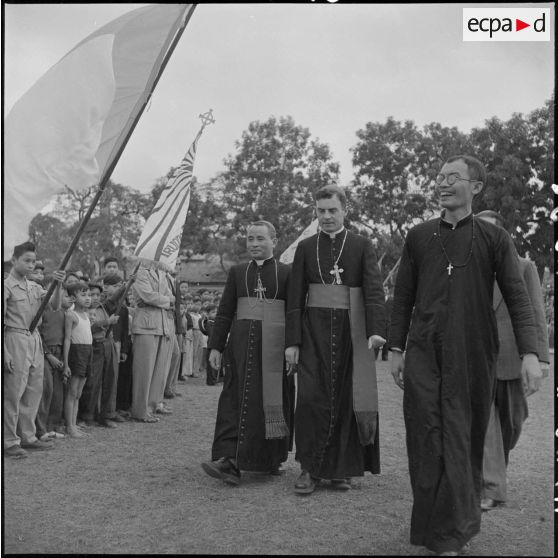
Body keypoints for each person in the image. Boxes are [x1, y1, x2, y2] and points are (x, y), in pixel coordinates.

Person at [388, 155, 541, 556]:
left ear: (475, 186)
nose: (442, 183)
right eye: (439, 177)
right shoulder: (419, 236)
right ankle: (432, 529)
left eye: (452, 177)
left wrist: (531, 354)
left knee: (460, 438)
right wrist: (395, 347)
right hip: (424, 352)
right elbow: (402, 296)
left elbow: (519, 300)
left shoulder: (494, 239)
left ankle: (453, 533)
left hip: (473, 355)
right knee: (425, 437)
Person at [285, 184, 386, 495]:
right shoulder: (305, 248)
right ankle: (309, 468)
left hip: (349, 331)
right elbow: (295, 297)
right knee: (311, 400)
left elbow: (372, 289)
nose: (326, 216)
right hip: (313, 331)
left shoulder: (361, 244)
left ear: (345, 211)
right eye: (321, 211)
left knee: (345, 400)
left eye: (332, 210)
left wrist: (376, 329)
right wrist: (292, 341)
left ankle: (340, 469)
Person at [202, 221, 294, 485]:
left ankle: (271, 459)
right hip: (241, 348)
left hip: (275, 349)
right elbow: (225, 311)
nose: (254, 244)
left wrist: (292, 346)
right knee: (236, 400)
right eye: (250, 239)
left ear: (274, 241)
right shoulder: (238, 272)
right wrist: (216, 346)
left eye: (260, 239)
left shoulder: (288, 273)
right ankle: (229, 458)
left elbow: (295, 313)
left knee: (271, 403)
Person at [475, 210, 550, 511]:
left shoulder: (523, 267)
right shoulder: (467, 269)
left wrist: (540, 358)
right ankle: (491, 487)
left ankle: (496, 466)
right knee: (485, 425)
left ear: (502, 237)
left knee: (513, 423)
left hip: (512, 360)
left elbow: (535, 313)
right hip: (478, 361)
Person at [3, 241, 65, 458]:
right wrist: (5, 351)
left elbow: (55, 306)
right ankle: (9, 441)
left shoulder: (35, 286)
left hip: (34, 339)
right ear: (14, 261)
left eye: (33, 261)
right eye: (26, 261)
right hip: (14, 337)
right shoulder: (6, 287)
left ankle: (27, 436)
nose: (31, 265)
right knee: (13, 392)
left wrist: (57, 286)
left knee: (33, 390)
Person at [130, 262, 174, 423]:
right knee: (144, 371)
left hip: (161, 325)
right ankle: (140, 410)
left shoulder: (161, 273)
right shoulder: (141, 271)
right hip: (145, 325)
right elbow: (146, 295)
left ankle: (152, 405)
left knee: (158, 370)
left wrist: (159, 300)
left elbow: (171, 297)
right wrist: (165, 300)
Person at [78, 282, 119, 428]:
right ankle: (87, 415)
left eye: (97, 295)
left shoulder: (103, 307)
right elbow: (90, 327)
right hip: (94, 346)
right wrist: (107, 322)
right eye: (91, 294)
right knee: (92, 382)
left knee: (109, 380)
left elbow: (116, 297)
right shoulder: (83, 310)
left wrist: (127, 285)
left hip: (108, 344)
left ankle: (106, 415)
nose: (95, 298)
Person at [35, 277, 72, 440]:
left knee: (57, 392)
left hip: (59, 353)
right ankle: (40, 429)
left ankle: (52, 425)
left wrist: (64, 360)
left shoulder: (63, 312)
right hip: (45, 354)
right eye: (54, 287)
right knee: (46, 390)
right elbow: (38, 334)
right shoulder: (41, 309)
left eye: (61, 288)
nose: (58, 291)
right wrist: (48, 355)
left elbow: (65, 337)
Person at [63, 281, 93, 438]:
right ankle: (69, 426)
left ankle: (74, 424)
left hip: (88, 352)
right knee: (72, 391)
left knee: (79, 392)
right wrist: (66, 363)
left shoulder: (86, 315)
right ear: (73, 298)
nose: (88, 298)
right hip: (77, 352)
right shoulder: (71, 315)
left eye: (89, 295)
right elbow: (67, 339)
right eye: (83, 295)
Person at [199, 304, 218, 385]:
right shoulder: (208, 323)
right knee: (211, 365)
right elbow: (209, 333)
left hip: (215, 345)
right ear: (207, 314)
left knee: (216, 363)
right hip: (210, 345)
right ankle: (210, 381)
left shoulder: (214, 322)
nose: (215, 314)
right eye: (213, 312)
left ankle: (214, 379)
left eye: (216, 312)